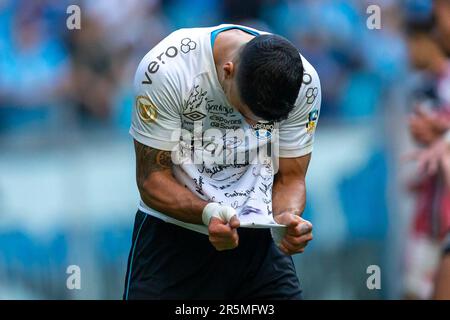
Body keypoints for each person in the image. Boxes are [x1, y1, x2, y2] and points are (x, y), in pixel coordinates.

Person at [123, 24, 321, 299]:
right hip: (171, 240)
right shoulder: (167, 69)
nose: (253, 127)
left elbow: (291, 178)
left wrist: (287, 216)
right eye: (246, 113)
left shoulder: (304, 83)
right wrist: (209, 214)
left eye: (266, 123)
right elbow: (151, 179)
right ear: (228, 71)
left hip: (259, 242)